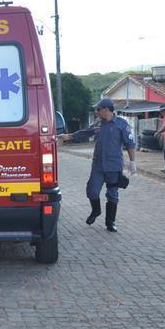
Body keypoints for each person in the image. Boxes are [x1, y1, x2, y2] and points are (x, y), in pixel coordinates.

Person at [60, 98, 137, 232]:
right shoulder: (98, 123)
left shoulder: (121, 124)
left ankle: (110, 222)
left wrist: (132, 162)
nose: (96, 112)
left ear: (106, 109)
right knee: (92, 191)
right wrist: (67, 136)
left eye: (98, 109)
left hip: (114, 166)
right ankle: (96, 211)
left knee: (112, 194)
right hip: (98, 166)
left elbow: (130, 144)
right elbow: (86, 132)